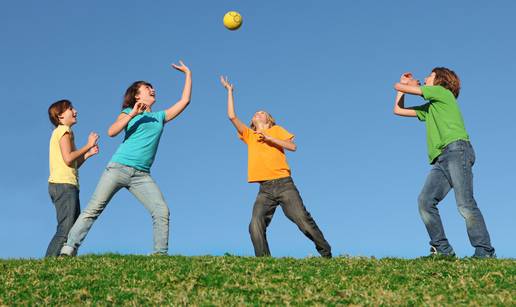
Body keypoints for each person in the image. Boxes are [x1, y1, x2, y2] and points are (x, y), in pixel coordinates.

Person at [60, 61, 192, 256]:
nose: (153, 90)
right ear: (137, 95)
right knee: (94, 208)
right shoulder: (128, 112)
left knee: (161, 211)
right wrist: (133, 114)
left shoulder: (160, 117)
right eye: (148, 88)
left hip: (142, 176)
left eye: (152, 88)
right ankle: (68, 248)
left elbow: (184, 101)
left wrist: (188, 73)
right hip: (118, 168)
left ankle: (160, 255)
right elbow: (111, 131)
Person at [220, 76, 332, 258]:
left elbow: (292, 147)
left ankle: (325, 252)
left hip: (284, 184)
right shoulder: (249, 135)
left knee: (302, 219)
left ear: (269, 120)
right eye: (255, 113)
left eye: (262, 112)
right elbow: (232, 116)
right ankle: (264, 261)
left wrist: (270, 138)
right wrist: (230, 92)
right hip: (264, 189)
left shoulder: (276, 130)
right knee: (255, 223)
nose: (258, 113)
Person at [393, 68, 495, 258]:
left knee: (465, 203)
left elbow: (400, 86)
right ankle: (442, 250)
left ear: (440, 81)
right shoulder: (431, 107)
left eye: (429, 76)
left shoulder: (442, 93)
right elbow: (398, 110)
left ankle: (484, 251)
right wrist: (403, 89)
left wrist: (405, 84)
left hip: (457, 151)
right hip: (441, 158)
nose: (424, 79)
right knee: (425, 201)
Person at [46, 99, 99, 256]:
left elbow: (72, 163)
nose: (75, 111)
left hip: (66, 184)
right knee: (66, 228)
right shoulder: (64, 131)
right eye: (70, 109)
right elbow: (69, 158)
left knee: (72, 228)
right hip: (63, 185)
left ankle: (64, 262)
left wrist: (87, 155)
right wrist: (88, 145)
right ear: (60, 116)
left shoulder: (64, 132)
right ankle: (49, 264)